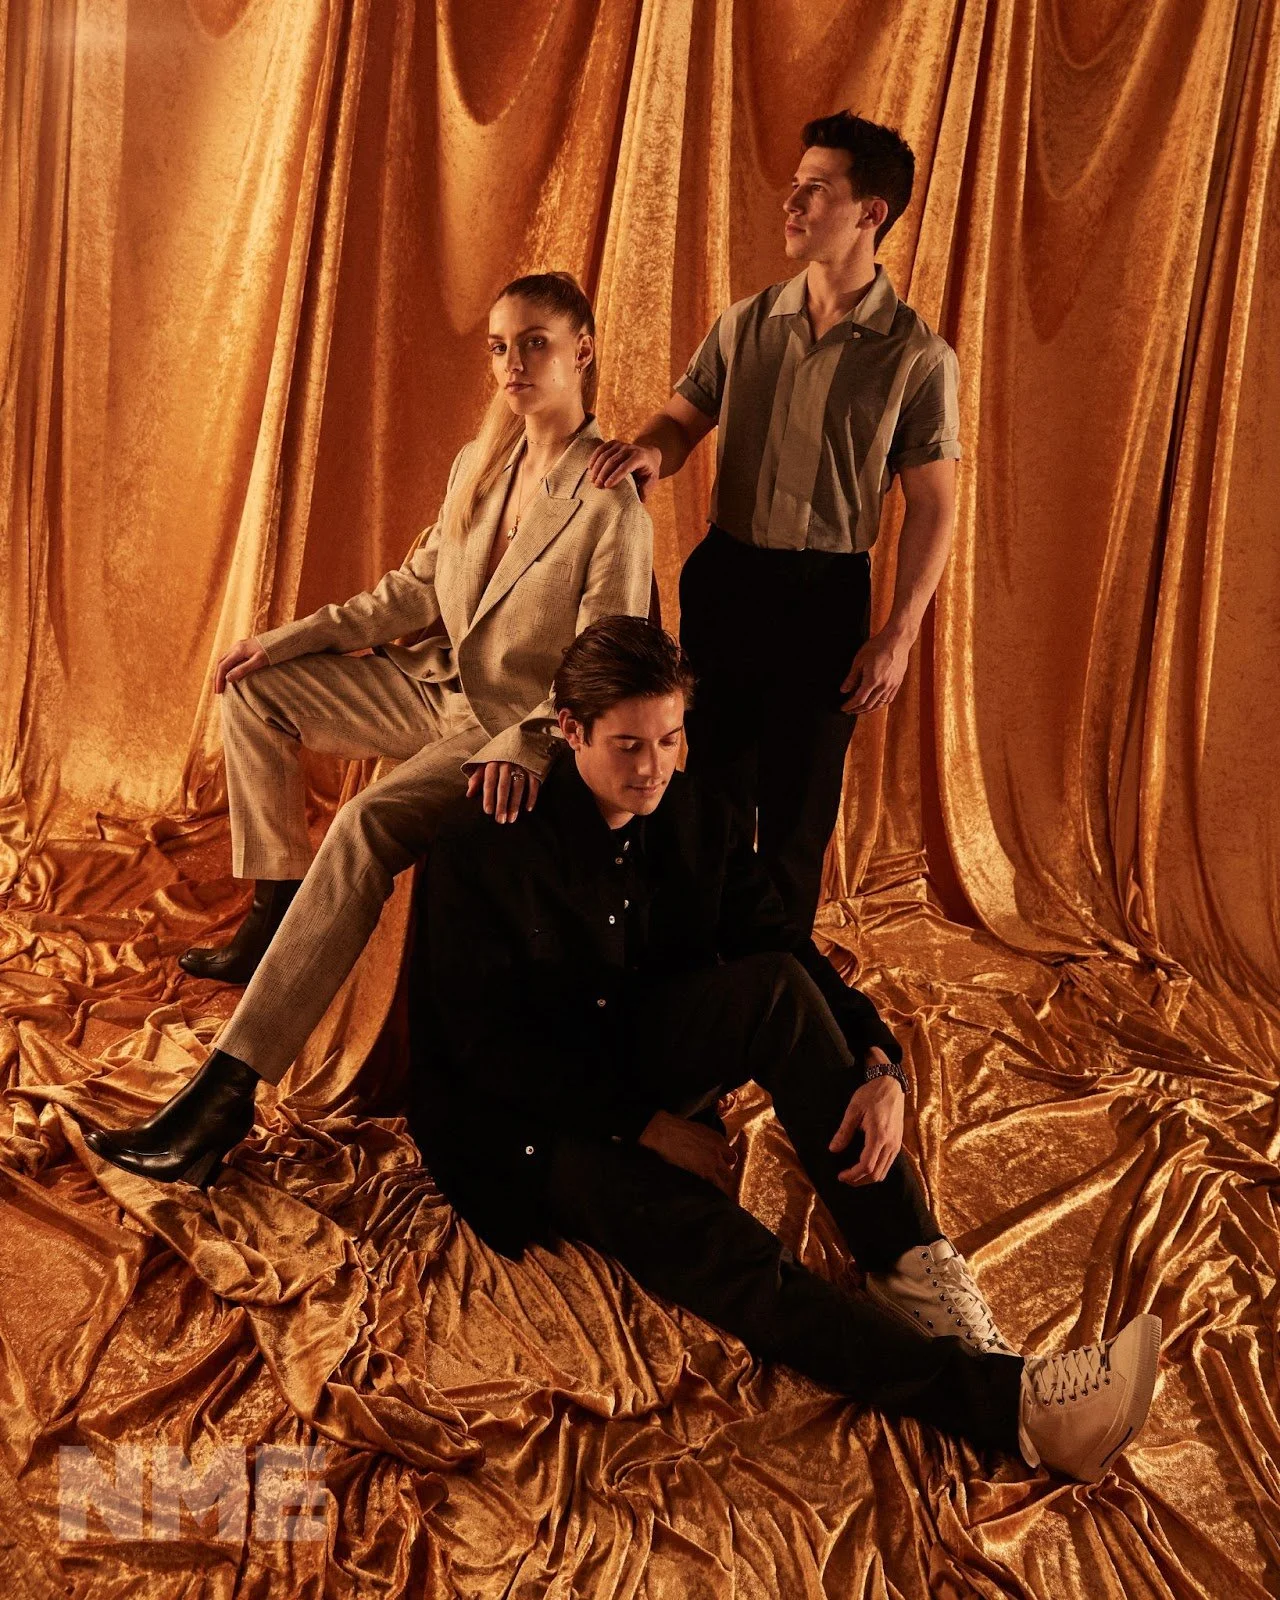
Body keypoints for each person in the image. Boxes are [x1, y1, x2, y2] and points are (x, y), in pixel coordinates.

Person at [410, 617, 1161, 1484]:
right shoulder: (485, 844)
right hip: (528, 1127)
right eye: (628, 745)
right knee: (729, 1251)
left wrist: (881, 1062)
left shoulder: (692, 809)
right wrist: (645, 1126)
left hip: (631, 1055)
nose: (653, 767)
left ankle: (910, 1265)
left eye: (670, 739)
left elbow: (782, 948)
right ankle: (1015, 1410)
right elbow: (484, 1050)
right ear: (570, 730)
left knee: (773, 985)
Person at [81, 272, 653, 1186]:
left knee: (361, 824)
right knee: (254, 694)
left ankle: (224, 1094)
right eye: (498, 347)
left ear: (582, 348)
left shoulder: (611, 501)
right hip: (431, 690)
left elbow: (607, 664)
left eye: (534, 343)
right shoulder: (480, 464)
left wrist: (528, 743)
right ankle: (274, 910)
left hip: (505, 725)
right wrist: (282, 640)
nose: (512, 364)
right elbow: (409, 593)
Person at [590, 111, 959, 933]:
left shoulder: (917, 357)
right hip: (727, 578)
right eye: (795, 185)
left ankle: (776, 977)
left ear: (870, 213)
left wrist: (897, 635)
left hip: (825, 596)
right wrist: (649, 452)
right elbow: (679, 422)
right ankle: (699, 967)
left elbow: (935, 505)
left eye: (815, 190)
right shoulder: (743, 323)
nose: (791, 202)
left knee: (798, 812)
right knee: (709, 793)